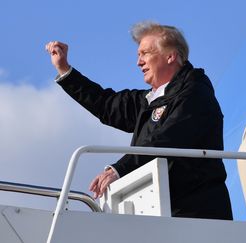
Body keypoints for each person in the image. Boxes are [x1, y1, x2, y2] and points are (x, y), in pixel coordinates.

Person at [45, 21, 232, 220]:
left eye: (146, 53)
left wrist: (119, 169)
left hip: (197, 217)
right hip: (164, 216)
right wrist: (65, 70)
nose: (139, 62)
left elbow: (166, 139)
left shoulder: (195, 94)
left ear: (170, 56)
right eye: (138, 55)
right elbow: (106, 104)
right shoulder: (150, 100)